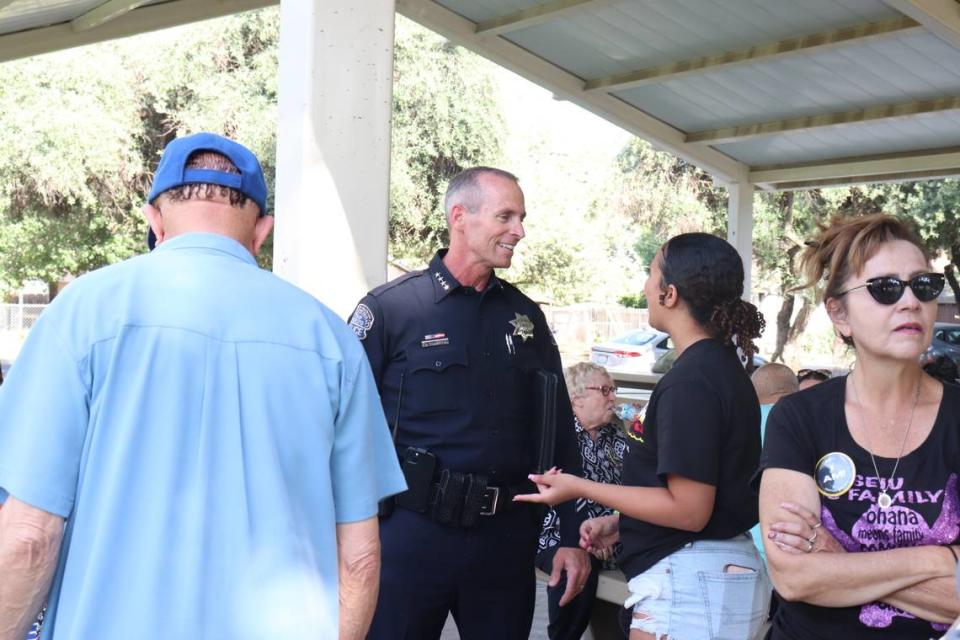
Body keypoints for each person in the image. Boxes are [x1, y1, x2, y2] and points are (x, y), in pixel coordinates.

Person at [0, 133, 405, 640]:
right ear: (261, 231)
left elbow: (30, 538)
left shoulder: (83, 313)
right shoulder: (330, 339)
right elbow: (361, 559)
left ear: (155, 219)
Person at [351, 166, 590, 639]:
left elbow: (558, 427)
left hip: (503, 539)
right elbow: (341, 423)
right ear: (460, 216)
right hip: (410, 534)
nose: (518, 231)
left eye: (521, 218)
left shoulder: (526, 318)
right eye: (506, 216)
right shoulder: (391, 310)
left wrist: (569, 534)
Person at [516, 232, 771, 639]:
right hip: (711, 570)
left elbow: (690, 510)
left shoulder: (692, 381)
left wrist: (577, 487)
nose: (645, 286)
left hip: (691, 579)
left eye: (651, 274)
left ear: (670, 294)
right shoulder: (721, 369)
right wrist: (623, 520)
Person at [757, 213, 960, 639]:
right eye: (884, 288)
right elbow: (795, 578)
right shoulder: (798, 416)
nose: (910, 302)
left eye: (923, 285)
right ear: (839, 314)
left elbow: (817, 573)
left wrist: (839, 557)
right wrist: (943, 560)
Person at [536, 362, 627, 640]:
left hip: (614, 535)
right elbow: (549, 495)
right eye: (604, 390)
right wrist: (587, 537)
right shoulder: (553, 434)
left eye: (613, 390)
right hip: (560, 533)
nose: (613, 397)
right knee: (573, 563)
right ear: (576, 398)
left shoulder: (619, 436)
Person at [749, 363, 799, 562]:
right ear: (795, 390)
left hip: (749, 543)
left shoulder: (743, 421)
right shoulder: (805, 423)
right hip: (795, 544)